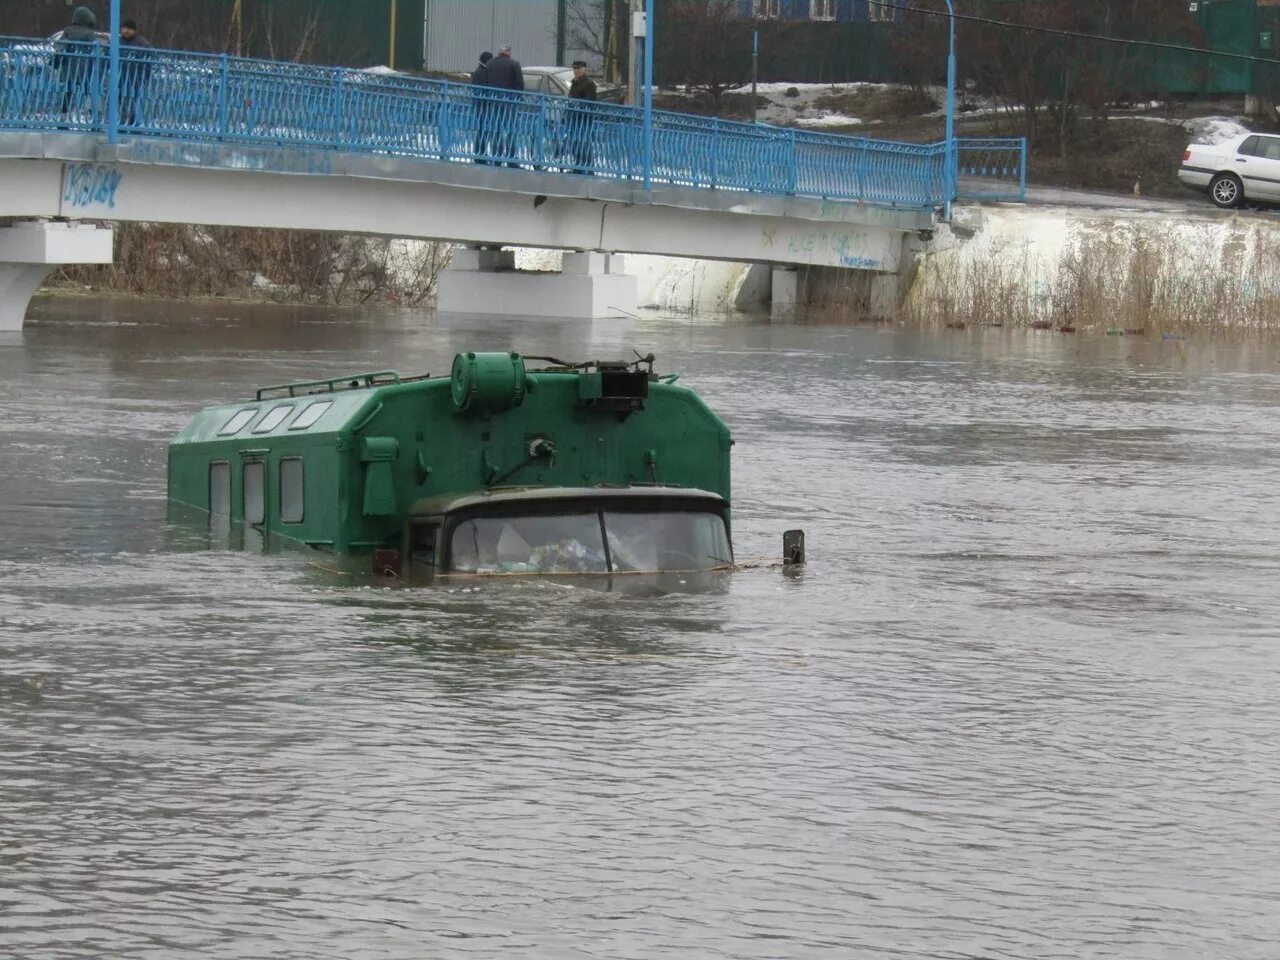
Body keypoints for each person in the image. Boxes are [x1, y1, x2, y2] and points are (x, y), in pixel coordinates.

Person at [55, 7, 101, 120]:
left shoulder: (67, 30)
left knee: (69, 91)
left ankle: (63, 115)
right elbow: (96, 49)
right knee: (89, 91)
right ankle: (94, 115)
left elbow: (59, 44)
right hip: (84, 68)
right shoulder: (89, 33)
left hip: (69, 68)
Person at [482, 44, 524, 167]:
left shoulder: (489, 64)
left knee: (496, 130)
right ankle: (511, 159)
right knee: (511, 130)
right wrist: (518, 99)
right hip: (509, 103)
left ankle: (497, 157)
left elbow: (485, 83)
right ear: (509, 53)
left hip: (493, 102)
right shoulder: (514, 64)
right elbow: (519, 84)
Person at [119, 19, 154, 127]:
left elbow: (149, 60)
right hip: (120, 76)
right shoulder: (117, 41)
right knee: (120, 100)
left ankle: (133, 122)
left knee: (133, 100)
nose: (125, 31)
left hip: (136, 77)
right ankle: (122, 122)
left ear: (134, 30)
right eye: (124, 28)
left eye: (128, 29)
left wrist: (145, 76)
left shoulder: (142, 43)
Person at [566, 60, 597, 174]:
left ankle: (588, 167)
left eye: (578, 68)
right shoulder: (574, 82)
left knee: (584, 142)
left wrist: (578, 103)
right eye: (574, 68)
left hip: (584, 118)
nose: (576, 70)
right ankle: (578, 166)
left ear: (584, 69)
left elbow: (591, 99)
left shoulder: (589, 83)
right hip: (574, 117)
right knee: (575, 142)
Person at [470, 51, 493, 163]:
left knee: (482, 130)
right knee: (482, 130)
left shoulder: (479, 71)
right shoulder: (482, 73)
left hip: (480, 105)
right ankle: (480, 154)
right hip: (482, 106)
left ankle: (480, 153)